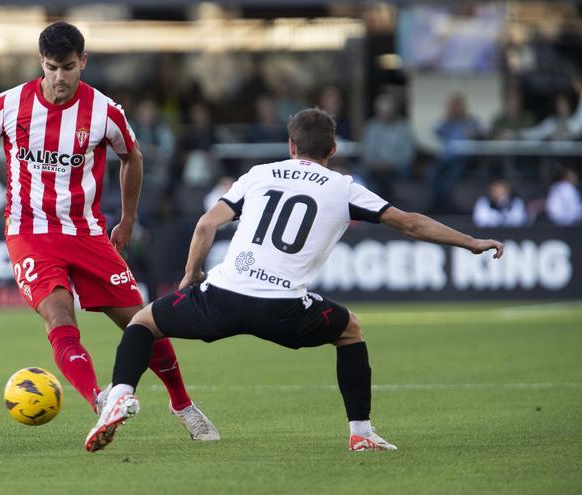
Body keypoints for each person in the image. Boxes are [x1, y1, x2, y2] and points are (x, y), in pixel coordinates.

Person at [85, 109, 504, 453]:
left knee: (143, 322)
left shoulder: (259, 174)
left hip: (222, 297)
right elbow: (410, 223)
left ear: (291, 146)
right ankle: (361, 432)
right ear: (333, 150)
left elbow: (204, 225)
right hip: (282, 309)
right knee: (350, 330)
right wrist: (470, 242)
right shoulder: (344, 187)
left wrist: (191, 276)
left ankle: (121, 391)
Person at [0, 21, 218, 440]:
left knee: (142, 321)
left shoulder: (103, 111)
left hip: (86, 232)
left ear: (84, 61)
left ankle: (183, 404)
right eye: (50, 68)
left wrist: (129, 218)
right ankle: (102, 401)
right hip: (30, 230)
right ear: (40, 63)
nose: (59, 77)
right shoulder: (7, 104)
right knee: (60, 316)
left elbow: (131, 157)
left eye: (67, 67)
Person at [360, 92, 416, 197]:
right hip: (374, 170)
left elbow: (408, 155)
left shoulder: (404, 127)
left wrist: (389, 165)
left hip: (397, 169)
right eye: (382, 111)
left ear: (395, 110)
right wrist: (377, 165)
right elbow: (366, 152)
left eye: (388, 110)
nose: (384, 114)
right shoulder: (371, 126)